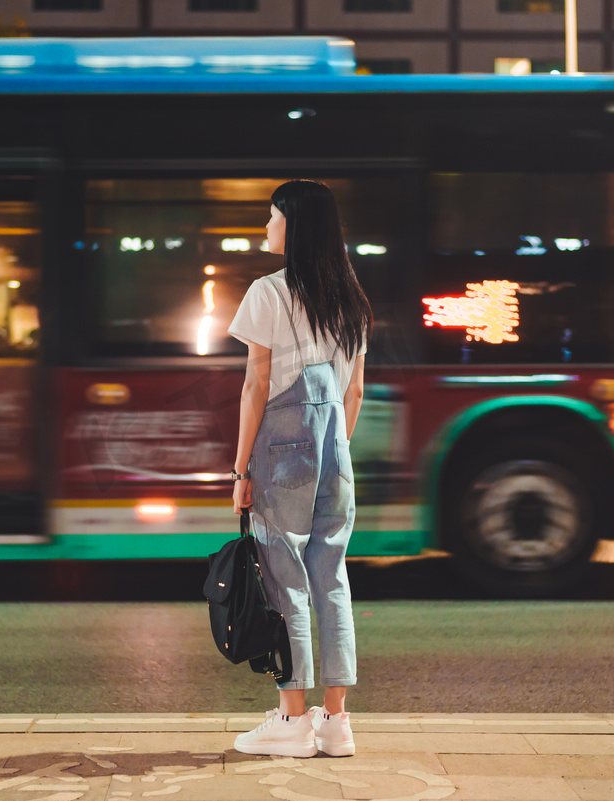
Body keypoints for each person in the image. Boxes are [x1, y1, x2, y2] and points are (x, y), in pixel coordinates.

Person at [226, 180, 371, 758]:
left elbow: (257, 386)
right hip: (336, 451)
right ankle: (336, 723)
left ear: (296, 225)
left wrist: (241, 472)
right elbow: (354, 392)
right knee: (331, 579)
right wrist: (331, 452)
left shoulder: (268, 292)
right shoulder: (353, 300)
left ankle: (291, 721)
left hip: (283, 452)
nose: (266, 226)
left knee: (283, 577)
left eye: (272, 216)